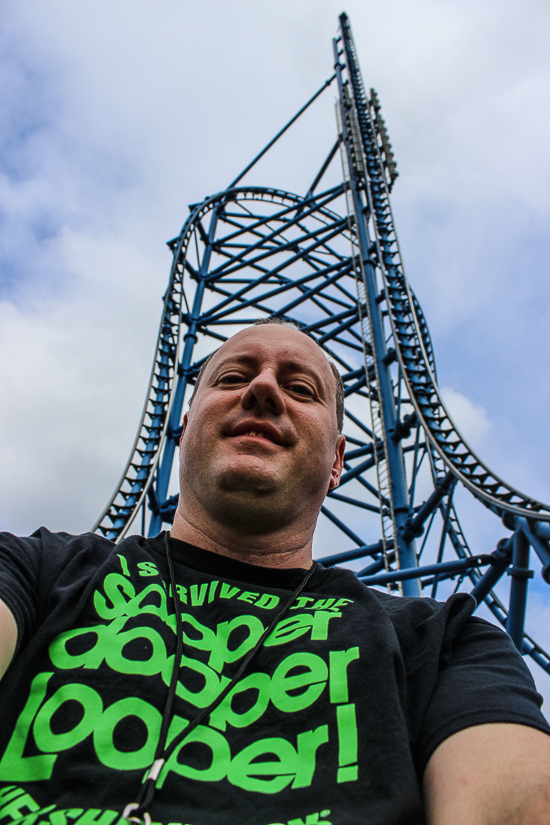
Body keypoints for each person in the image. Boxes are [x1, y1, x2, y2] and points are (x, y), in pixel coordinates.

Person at [0, 320, 549, 825]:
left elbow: (517, 801)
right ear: (186, 428)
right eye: (232, 377)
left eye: (302, 389)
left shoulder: (445, 642)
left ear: (337, 461)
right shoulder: (41, 571)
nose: (262, 390)